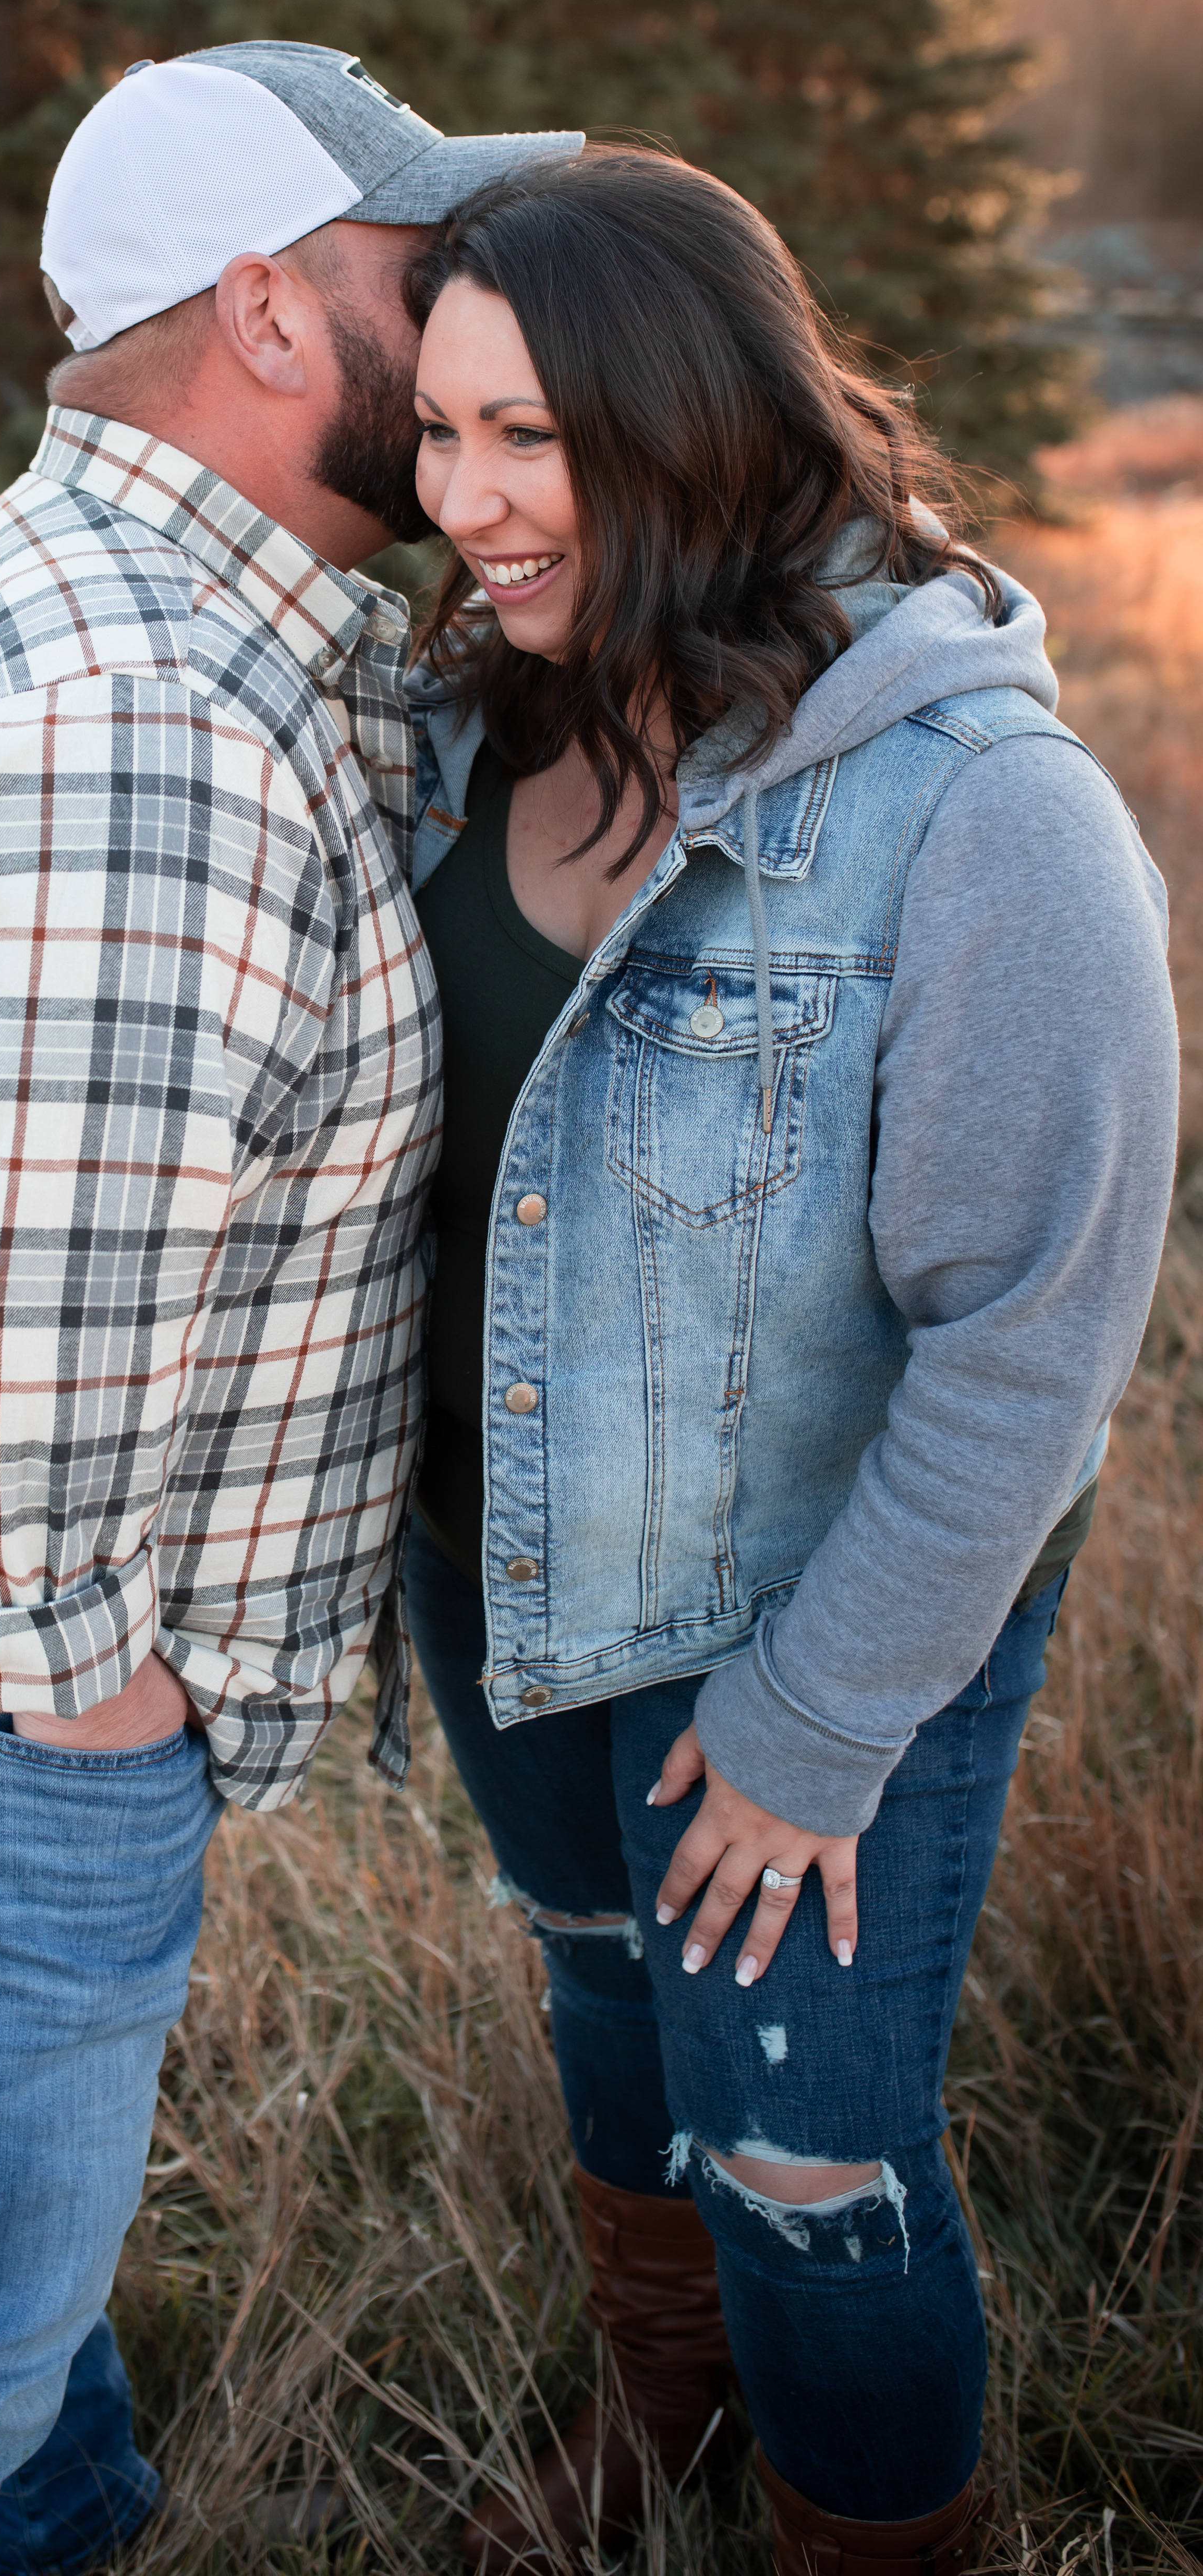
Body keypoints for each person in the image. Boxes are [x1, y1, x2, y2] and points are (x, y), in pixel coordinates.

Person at [0, 42, 579, 2576]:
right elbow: (40, 1312)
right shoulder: (146, 707)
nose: (480, 318)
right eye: (421, 276)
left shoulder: (207, 616)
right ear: (272, 316)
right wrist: (89, 1698)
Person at [399, 148, 1177, 2571]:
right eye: (437, 435)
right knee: (613, 2013)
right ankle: (669, 2434)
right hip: (500, 1553)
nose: (469, 503)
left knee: (804, 2147)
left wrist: (824, 1719)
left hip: (807, 1611)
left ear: (690, 417)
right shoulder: (469, 733)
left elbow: (1030, 1343)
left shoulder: (976, 810)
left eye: (528, 435)